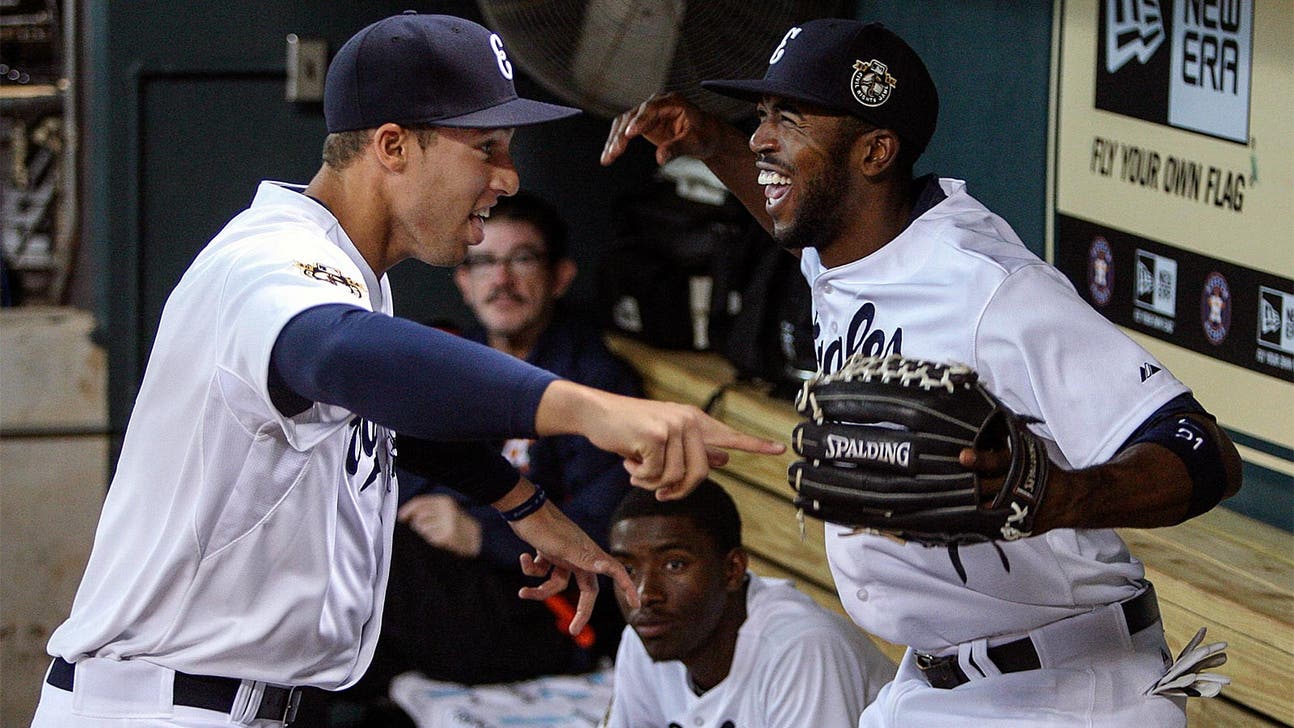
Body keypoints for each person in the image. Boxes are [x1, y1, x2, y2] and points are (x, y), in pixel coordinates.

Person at [31, 12, 784, 728]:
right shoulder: (269, 261)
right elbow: (342, 355)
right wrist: (588, 408)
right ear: (393, 146)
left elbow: (379, 410)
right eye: (485, 147)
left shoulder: (352, 271)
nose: (508, 177)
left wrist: (519, 500)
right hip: (166, 705)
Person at [600, 18, 1243, 727]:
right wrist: (710, 140)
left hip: (1069, 689)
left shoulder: (987, 287)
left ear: (875, 151)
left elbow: (1204, 451)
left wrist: (1065, 495)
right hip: (937, 685)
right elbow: (804, 237)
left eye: (790, 119)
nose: (761, 138)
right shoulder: (846, 251)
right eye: (759, 117)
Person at [350, 193, 640, 702]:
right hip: (447, 588)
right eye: (483, 261)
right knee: (337, 544)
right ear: (464, 281)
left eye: (522, 259)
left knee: (367, 577)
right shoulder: (451, 361)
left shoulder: (597, 387)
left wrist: (479, 534)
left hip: (545, 617)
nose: (501, 279)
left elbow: (602, 538)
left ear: (561, 276)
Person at [602, 480, 896, 728]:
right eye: (626, 570)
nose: (643, 594)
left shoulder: (802, 647)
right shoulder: (645, 636)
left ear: (732, 569)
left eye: (674, 565)